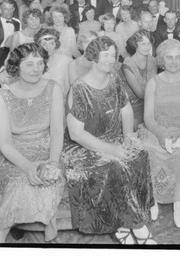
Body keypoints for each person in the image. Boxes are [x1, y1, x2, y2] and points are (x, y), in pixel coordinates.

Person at [63, 36, 156, 245]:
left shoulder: (114, 79)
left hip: (114, 137)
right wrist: (113, 150)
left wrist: (128, 138)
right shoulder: (79, 88)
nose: (110, 59)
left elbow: (126, 111)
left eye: (113, 55)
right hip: (84, 146)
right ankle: (130, 226)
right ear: (94, 57)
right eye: (106, 55)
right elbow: (77, 134)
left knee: (140, 155)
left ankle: (131, 219)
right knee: (115, 166)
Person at [0, 43, 65, 243]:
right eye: (29, 64)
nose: (37, 69)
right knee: (18, 182)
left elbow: (58, 131)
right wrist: (27, 166)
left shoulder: (53, 88)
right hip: (12, 152)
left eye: (40, 63)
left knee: (46, 180)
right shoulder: (2, 97)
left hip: (46, 148)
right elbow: (5, 143)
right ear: (16, 66)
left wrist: (53, 162)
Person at [139, 39, 180, 228]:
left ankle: (179, 201)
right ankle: (153, 198)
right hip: (155, 128)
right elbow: (148, 116)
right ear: (161, 60)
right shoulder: (153, 82)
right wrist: (159, 134)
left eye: (177, 57)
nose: (174, 62)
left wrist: (179, 132)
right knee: (148, 150)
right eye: (169, 57)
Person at [120, 30, 157, 129]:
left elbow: (154, 86)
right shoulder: (127, 64)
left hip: (150, 101)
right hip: (133, 105)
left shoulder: (152, 60)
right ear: (135, 45)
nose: (146, 47)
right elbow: (140, 94)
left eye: (149, 43)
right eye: (142, 44)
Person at [34, 28, 71, 100]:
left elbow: (68, 89)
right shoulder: (34, 62)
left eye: (52, 43)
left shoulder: (66, 61)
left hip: (60, 102)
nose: (48, 47)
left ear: (56, 44)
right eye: (44, 44)